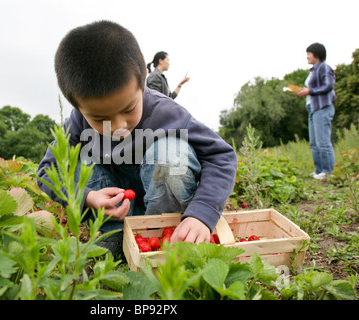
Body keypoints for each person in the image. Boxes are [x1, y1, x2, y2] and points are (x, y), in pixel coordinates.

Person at [36, 20, 237, 256]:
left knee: (170, 152)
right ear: (78, 106)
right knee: (81, 156)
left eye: (129, 109)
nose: (118, 126)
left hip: (162, 204)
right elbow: (47, 171)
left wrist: (202, 214)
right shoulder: (78, 122)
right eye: (100, 118)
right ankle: (115, 234)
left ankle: (164, 231)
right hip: (118, 207)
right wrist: (87, 197)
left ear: (143, 79)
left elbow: (221, 156)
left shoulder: (166, 112)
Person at [297, 43, 336, 180]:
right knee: (314, 143)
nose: (307, 56)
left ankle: (328, 171)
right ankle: (319, 170)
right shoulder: (313, 71)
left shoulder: (324, 68)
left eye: (309, 53)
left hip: (322, 108)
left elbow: (329, 85)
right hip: (312, 109)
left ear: (317, 54)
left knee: (323, 141)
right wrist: (304, 91)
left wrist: (310, 91)